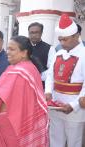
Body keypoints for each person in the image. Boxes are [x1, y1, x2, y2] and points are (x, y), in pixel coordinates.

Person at [45, 14, 85, 147]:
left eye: (65, 40)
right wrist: (48, 92)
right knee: (55, 140)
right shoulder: (58, 53)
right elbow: (50, 75)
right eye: (60, 40)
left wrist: (73, 106)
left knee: (74, 142)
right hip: (55, 105)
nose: (62, 43)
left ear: (76, 36)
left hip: (75, 108)